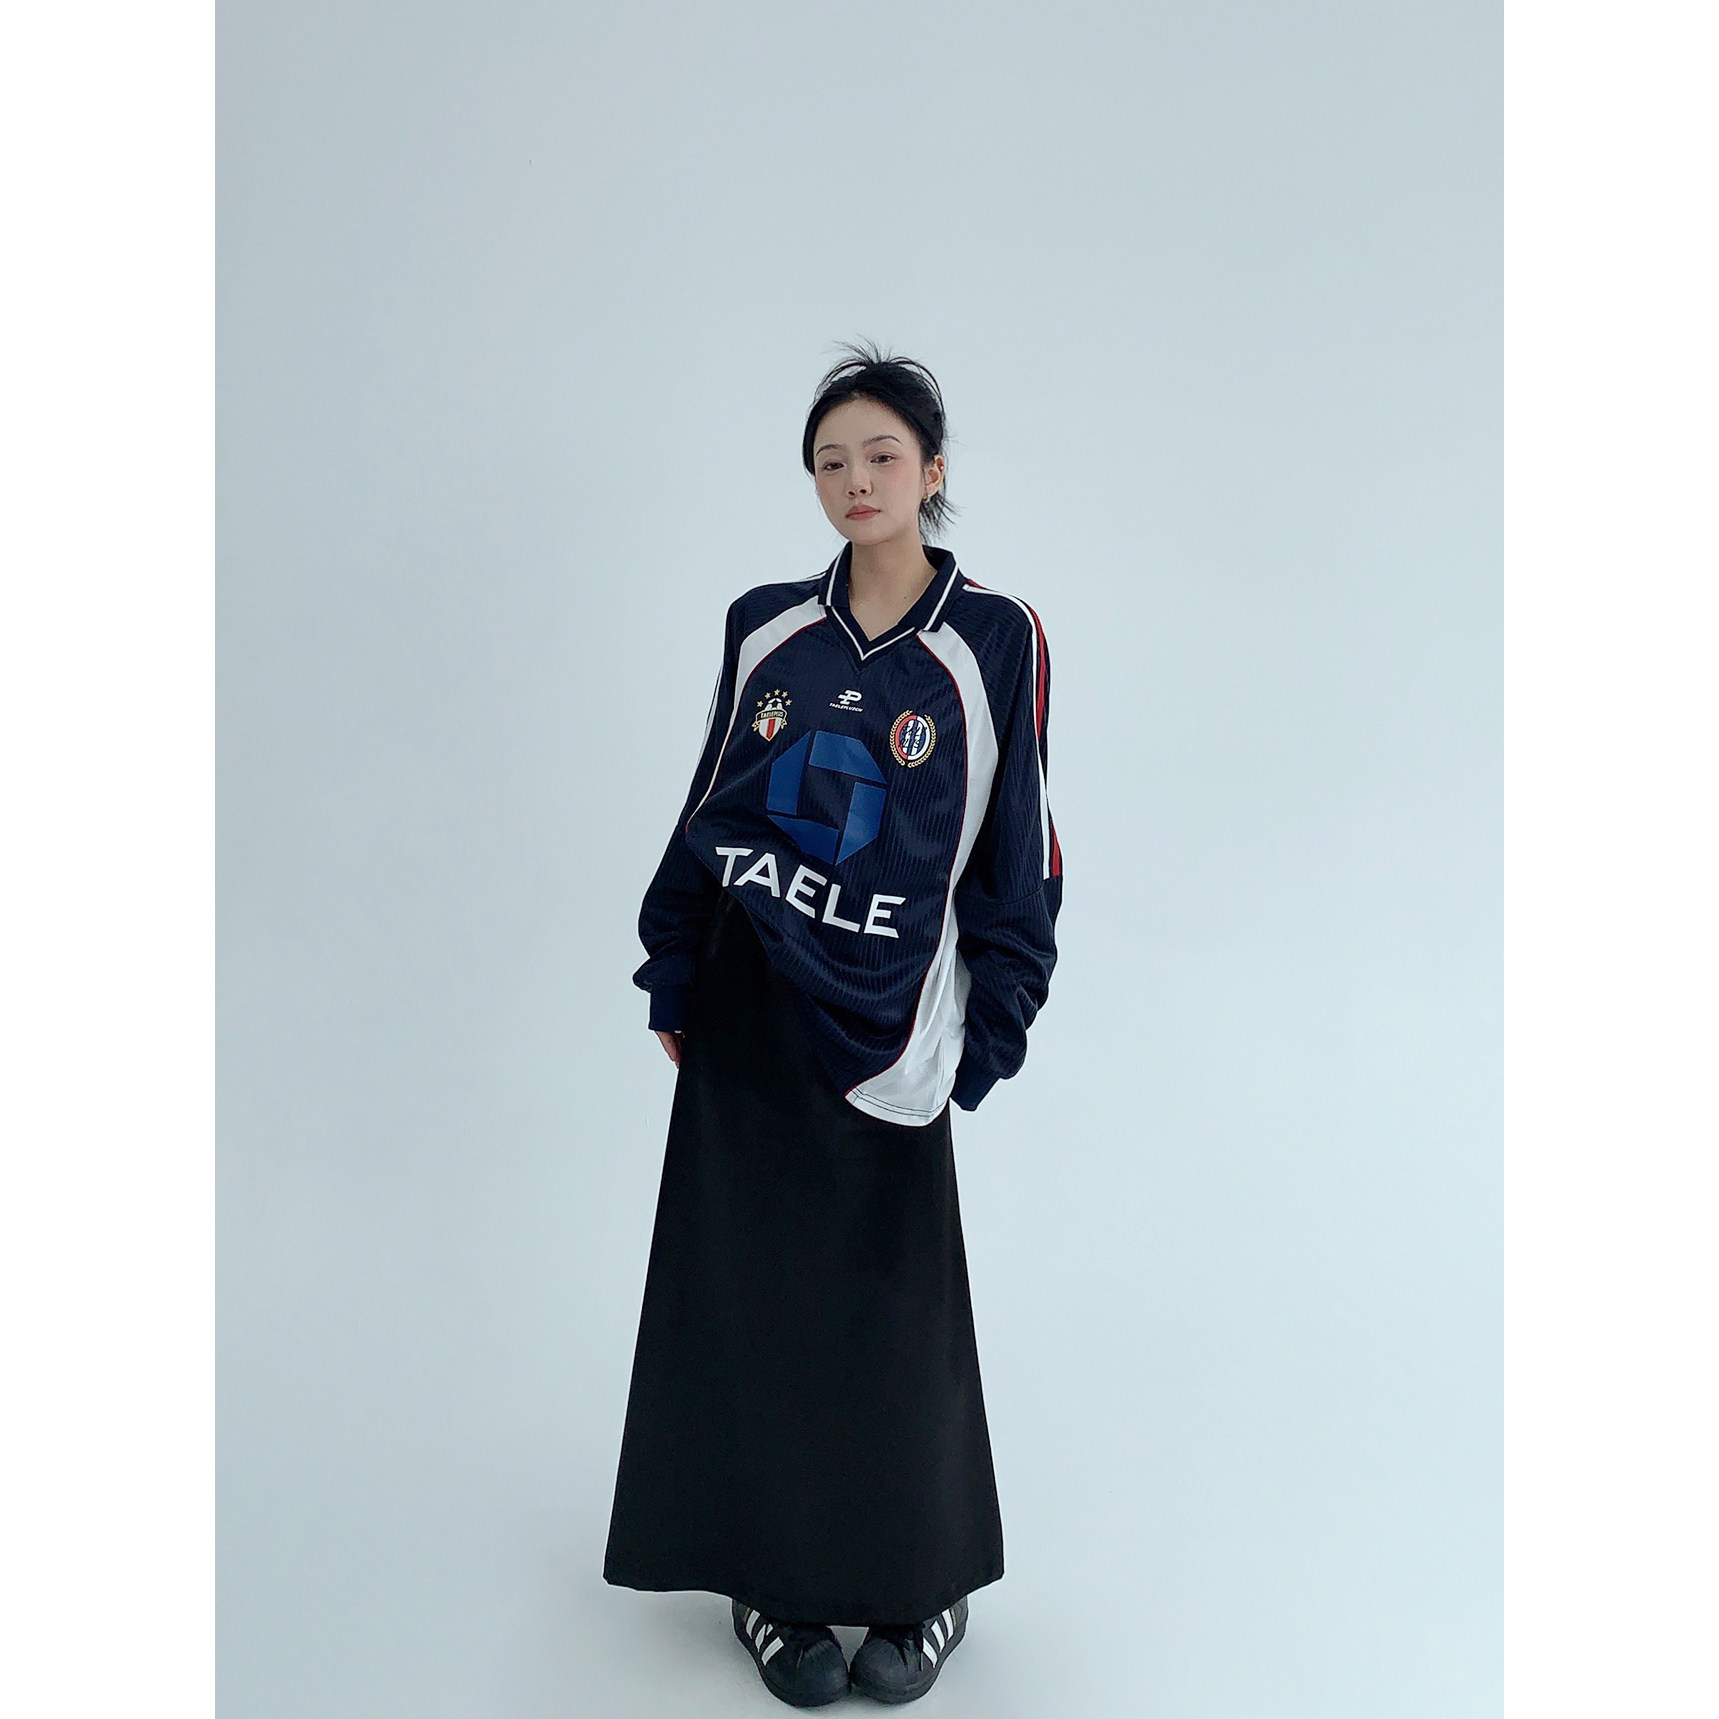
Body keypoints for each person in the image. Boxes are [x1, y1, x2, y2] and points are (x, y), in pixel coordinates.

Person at [602, 341, 1063, 1707]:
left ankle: (919, 1587)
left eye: (881, 455)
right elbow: (713, 799)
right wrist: (675, 965)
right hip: (752, 993)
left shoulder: (995, 639)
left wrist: (998, 1014)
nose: (855, 480)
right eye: (829, 461)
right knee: (752, 1292)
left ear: (932, 470)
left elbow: (1021, 834)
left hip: (895, 1012)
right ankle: (775, 1586)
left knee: (894, 1307)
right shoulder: (765, 626)